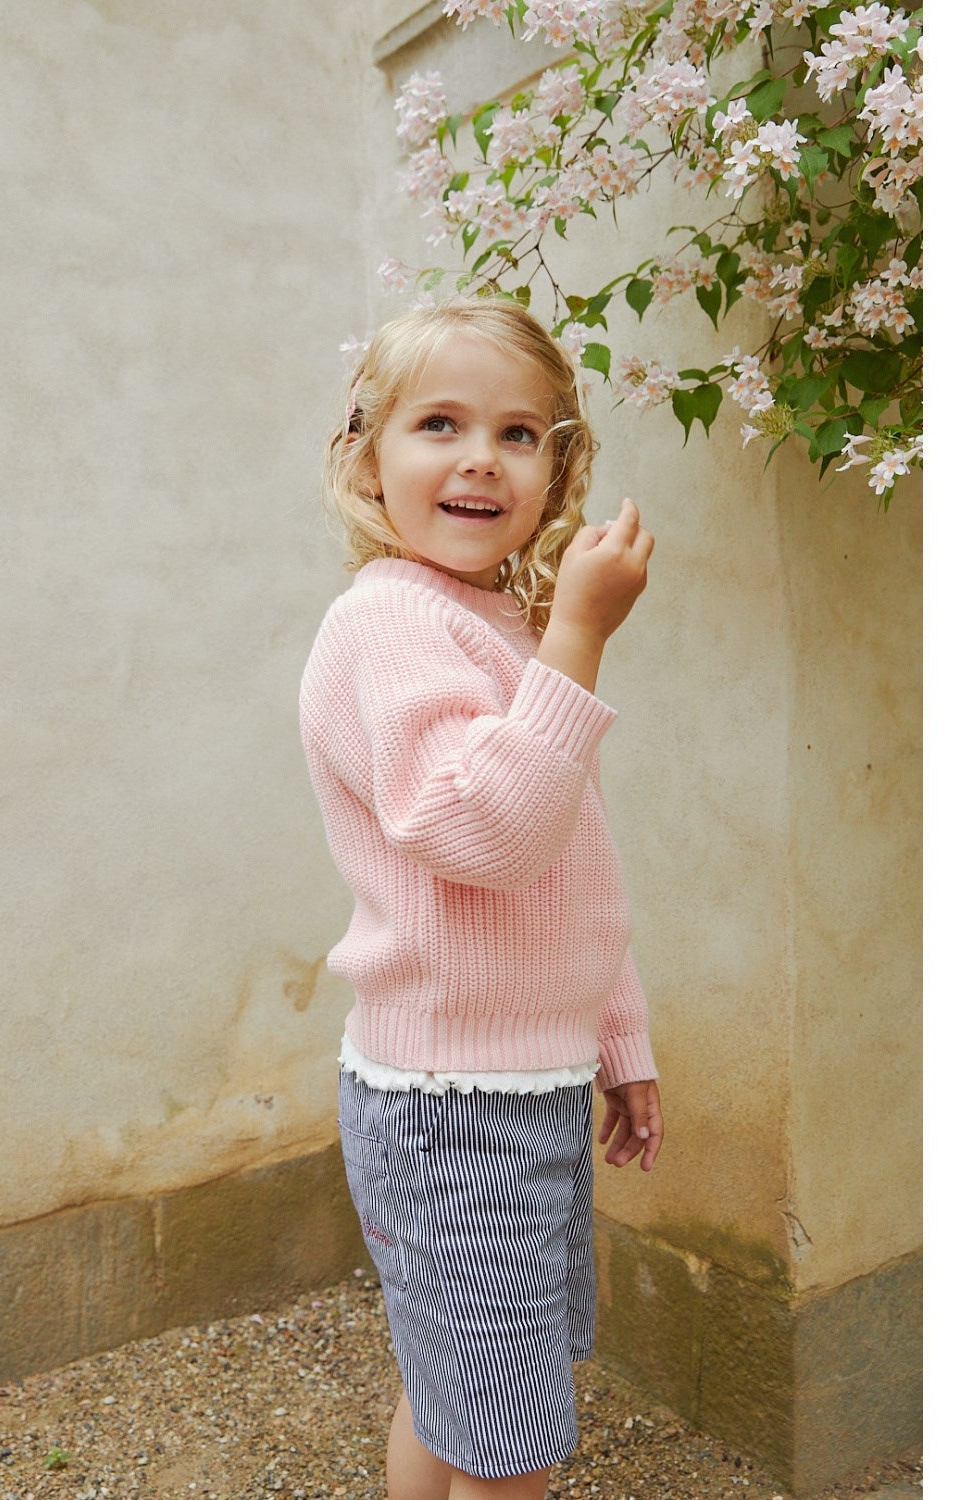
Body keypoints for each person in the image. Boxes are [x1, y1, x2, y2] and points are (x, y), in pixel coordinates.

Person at [300, 296, 663, 1500]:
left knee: (463, 1398)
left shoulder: (494, 621)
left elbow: (568, 860)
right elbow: (487, 834)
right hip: (453, 1111)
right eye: (439, 424)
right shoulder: (388, 624)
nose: (479, 459)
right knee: (511, 1448)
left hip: (517, 1085)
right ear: (368, 455)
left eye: (517, 434)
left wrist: (616, 1038)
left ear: (558, 470)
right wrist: (580, 639)